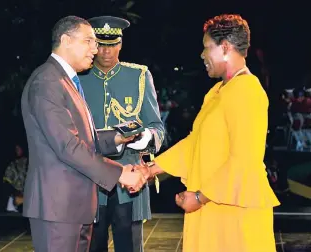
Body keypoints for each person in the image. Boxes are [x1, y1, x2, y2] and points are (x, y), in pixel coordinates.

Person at [144, 14, 280, 252]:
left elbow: (243, 160)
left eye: (207, 47)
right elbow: (195, 142)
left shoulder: (247, 91)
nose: (202, 55)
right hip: (215, 205)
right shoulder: (217, 92)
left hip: (234, 211)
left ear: (225, 47)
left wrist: (198, 198)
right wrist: (150, 169)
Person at [21, 15, 146, 252]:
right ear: (66, 40)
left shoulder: (66, 81)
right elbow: (68, 146)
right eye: (89, 41)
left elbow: (82, 137)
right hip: (57, 207)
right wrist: (120, 173)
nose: (96, 49)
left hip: (74, 206)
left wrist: (116, 138)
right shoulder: (47, 81)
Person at [79, 16, 164, 252]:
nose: (106, 52)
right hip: (92, 177)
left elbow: (158, 126)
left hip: (130, 175)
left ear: (121, 44)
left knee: (130, 245)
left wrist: (147, 139)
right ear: (94, 46)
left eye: (112, 44)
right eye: (101, 45)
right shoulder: (78, 78)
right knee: (92, 244)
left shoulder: (138, 75)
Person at [3, 144, 28, 212]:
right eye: (16, 148)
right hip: (17, 199)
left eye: (18, 148)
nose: (17, 150)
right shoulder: (13, 164)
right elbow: (7, 183)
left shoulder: (33, 162)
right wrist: (14, 193)